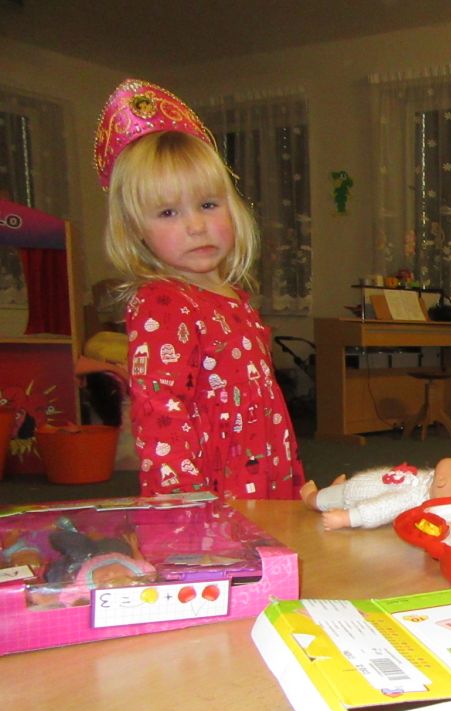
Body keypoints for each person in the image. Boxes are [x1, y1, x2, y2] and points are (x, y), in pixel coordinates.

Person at [96, 78, 303, 500]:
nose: (195, 225)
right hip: (208, 493)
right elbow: (159, 412)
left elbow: (263, 401)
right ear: (135, 230)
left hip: (262, 473)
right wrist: (183, 506)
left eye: (208, 205)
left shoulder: (233, 297)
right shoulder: (162, 301)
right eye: (168, 212)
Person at [301, 458, 451, 530]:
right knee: (339, 490)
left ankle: (311, 496)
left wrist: (347, 518)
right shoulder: (429, 484)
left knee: (323, 499)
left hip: (352, 496)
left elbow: (379, 509)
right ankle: (335, 487)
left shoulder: (412, 499)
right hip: (360, 485)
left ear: (442, 481)